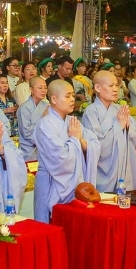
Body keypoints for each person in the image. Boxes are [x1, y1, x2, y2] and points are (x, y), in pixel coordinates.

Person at [34, 80, 100, 223]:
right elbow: (60, 158)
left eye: (73, 96)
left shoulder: (72, 121)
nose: (72, 100)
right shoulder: (44, 125)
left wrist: (83, 143)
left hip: (75, 187)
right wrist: (76, 140)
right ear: (54, 99)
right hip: (52, 185)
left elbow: (94, 143)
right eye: (68, 96)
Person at [82, 70, 136, 191]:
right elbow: (94, 145)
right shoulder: (91, 112)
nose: (115, 89)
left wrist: (127, 127)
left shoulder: (119, 109)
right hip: (104, 170)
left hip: (123, 166)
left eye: (116, 85)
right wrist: (119, 127)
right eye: (110, 86)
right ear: (98, 87)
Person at [17, 77, 49, 161]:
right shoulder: (24, 108)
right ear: (31, 89)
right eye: (40, 88)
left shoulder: (47, 106)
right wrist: (43, 118)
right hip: (28, 151)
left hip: (45, 149)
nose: (43, 90)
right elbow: (26, 133)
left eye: (45, 87)